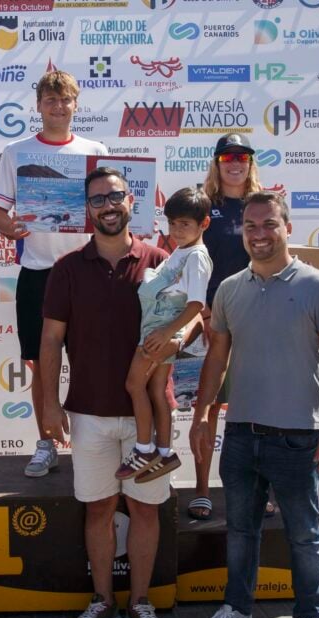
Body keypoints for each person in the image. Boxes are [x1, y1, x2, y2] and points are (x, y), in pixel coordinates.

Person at [189, 191, 319, 618]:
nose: (259, 234)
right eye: (251, 227)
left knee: (304, 536)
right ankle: (238, 612)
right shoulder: (230, 289)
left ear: (286, 228)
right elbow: (216, 358)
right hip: (241, 433)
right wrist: (202, 415)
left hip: (298, 436)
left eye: (269, 225)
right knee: (240, 531)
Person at [42, 168, 185, 618]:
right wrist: (48, 404)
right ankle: (103, 600)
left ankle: (140, 602)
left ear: (131, 201)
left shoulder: (162, 260)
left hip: (152, 417)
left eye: (116, 196)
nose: (108, 205)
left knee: (146, 512)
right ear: (88, 208)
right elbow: (50, 341)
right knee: (99, 509)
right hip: (89, 414)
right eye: (98, 198)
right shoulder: (66, 268)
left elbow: (194, 318)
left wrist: (182, 336)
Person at [0, 70, 108, 478]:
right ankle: (45, 443)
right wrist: (9, 228)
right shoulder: (16, 150)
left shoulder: (96, 149)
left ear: (76, 105)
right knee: (42, 365)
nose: (58, 107)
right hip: (38, 271)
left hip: (91, 271)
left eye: (66, 100)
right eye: (51, 100)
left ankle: (92, 446)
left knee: (94, 361)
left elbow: (111, 208)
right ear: (38, 105)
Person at [189, 133, 263, 521]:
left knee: (256, 410)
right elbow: (188, 259)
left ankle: (256, 490)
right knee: (210, 407)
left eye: (243, 156)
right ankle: (202, 489)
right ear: (217, 162)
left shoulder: (263, 205)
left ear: (251, 162)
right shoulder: (204, 205)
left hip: (256, 317)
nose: (235, 162)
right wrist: (200, 314)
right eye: (227, 156)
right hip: (213, 319)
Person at [118, 188, 212, 483]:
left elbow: (197, 303)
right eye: (173, 223)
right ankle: (165, 451)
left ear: (203, 224)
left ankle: (144, 450)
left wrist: (169, 332)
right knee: (157, 391)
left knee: (135, 385)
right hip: (158, 330)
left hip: (158, 334)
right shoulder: (182, 251)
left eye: (185, 224)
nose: (177, 230)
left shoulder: (196, 256)